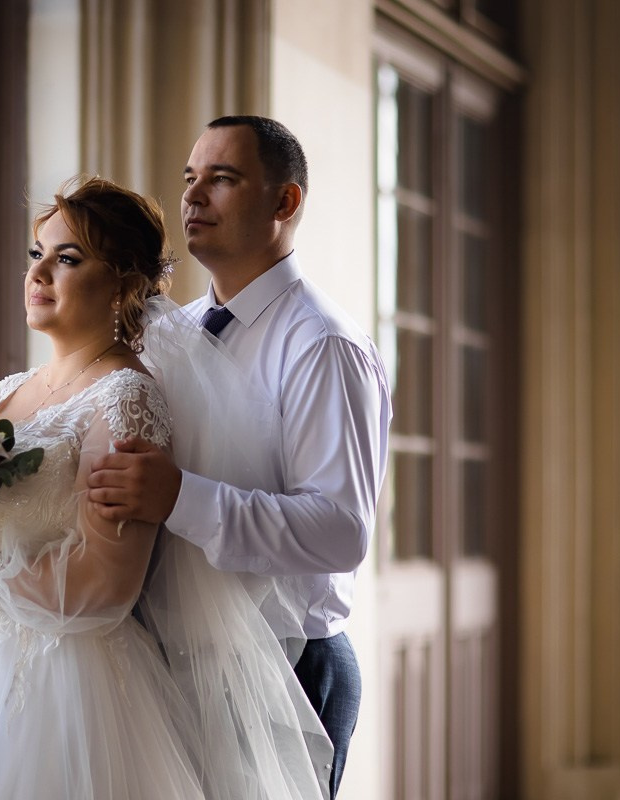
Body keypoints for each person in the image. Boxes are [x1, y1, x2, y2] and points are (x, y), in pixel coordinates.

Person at [0, 176, 329, 800]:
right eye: (38, 254)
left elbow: (106, 586)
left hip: (60, 690)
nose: (38, 274)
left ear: (122, 286)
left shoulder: (127, 400)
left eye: (68, 259)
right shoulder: (8, 390)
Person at [87, 116, 392, 799]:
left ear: (285, 202)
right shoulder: (169, 335)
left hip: (288, 668)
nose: (193, 197)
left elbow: (340, 530)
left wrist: (179, 497)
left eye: (222, 179)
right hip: (164, 663)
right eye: (190, 178)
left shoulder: (322, 345)